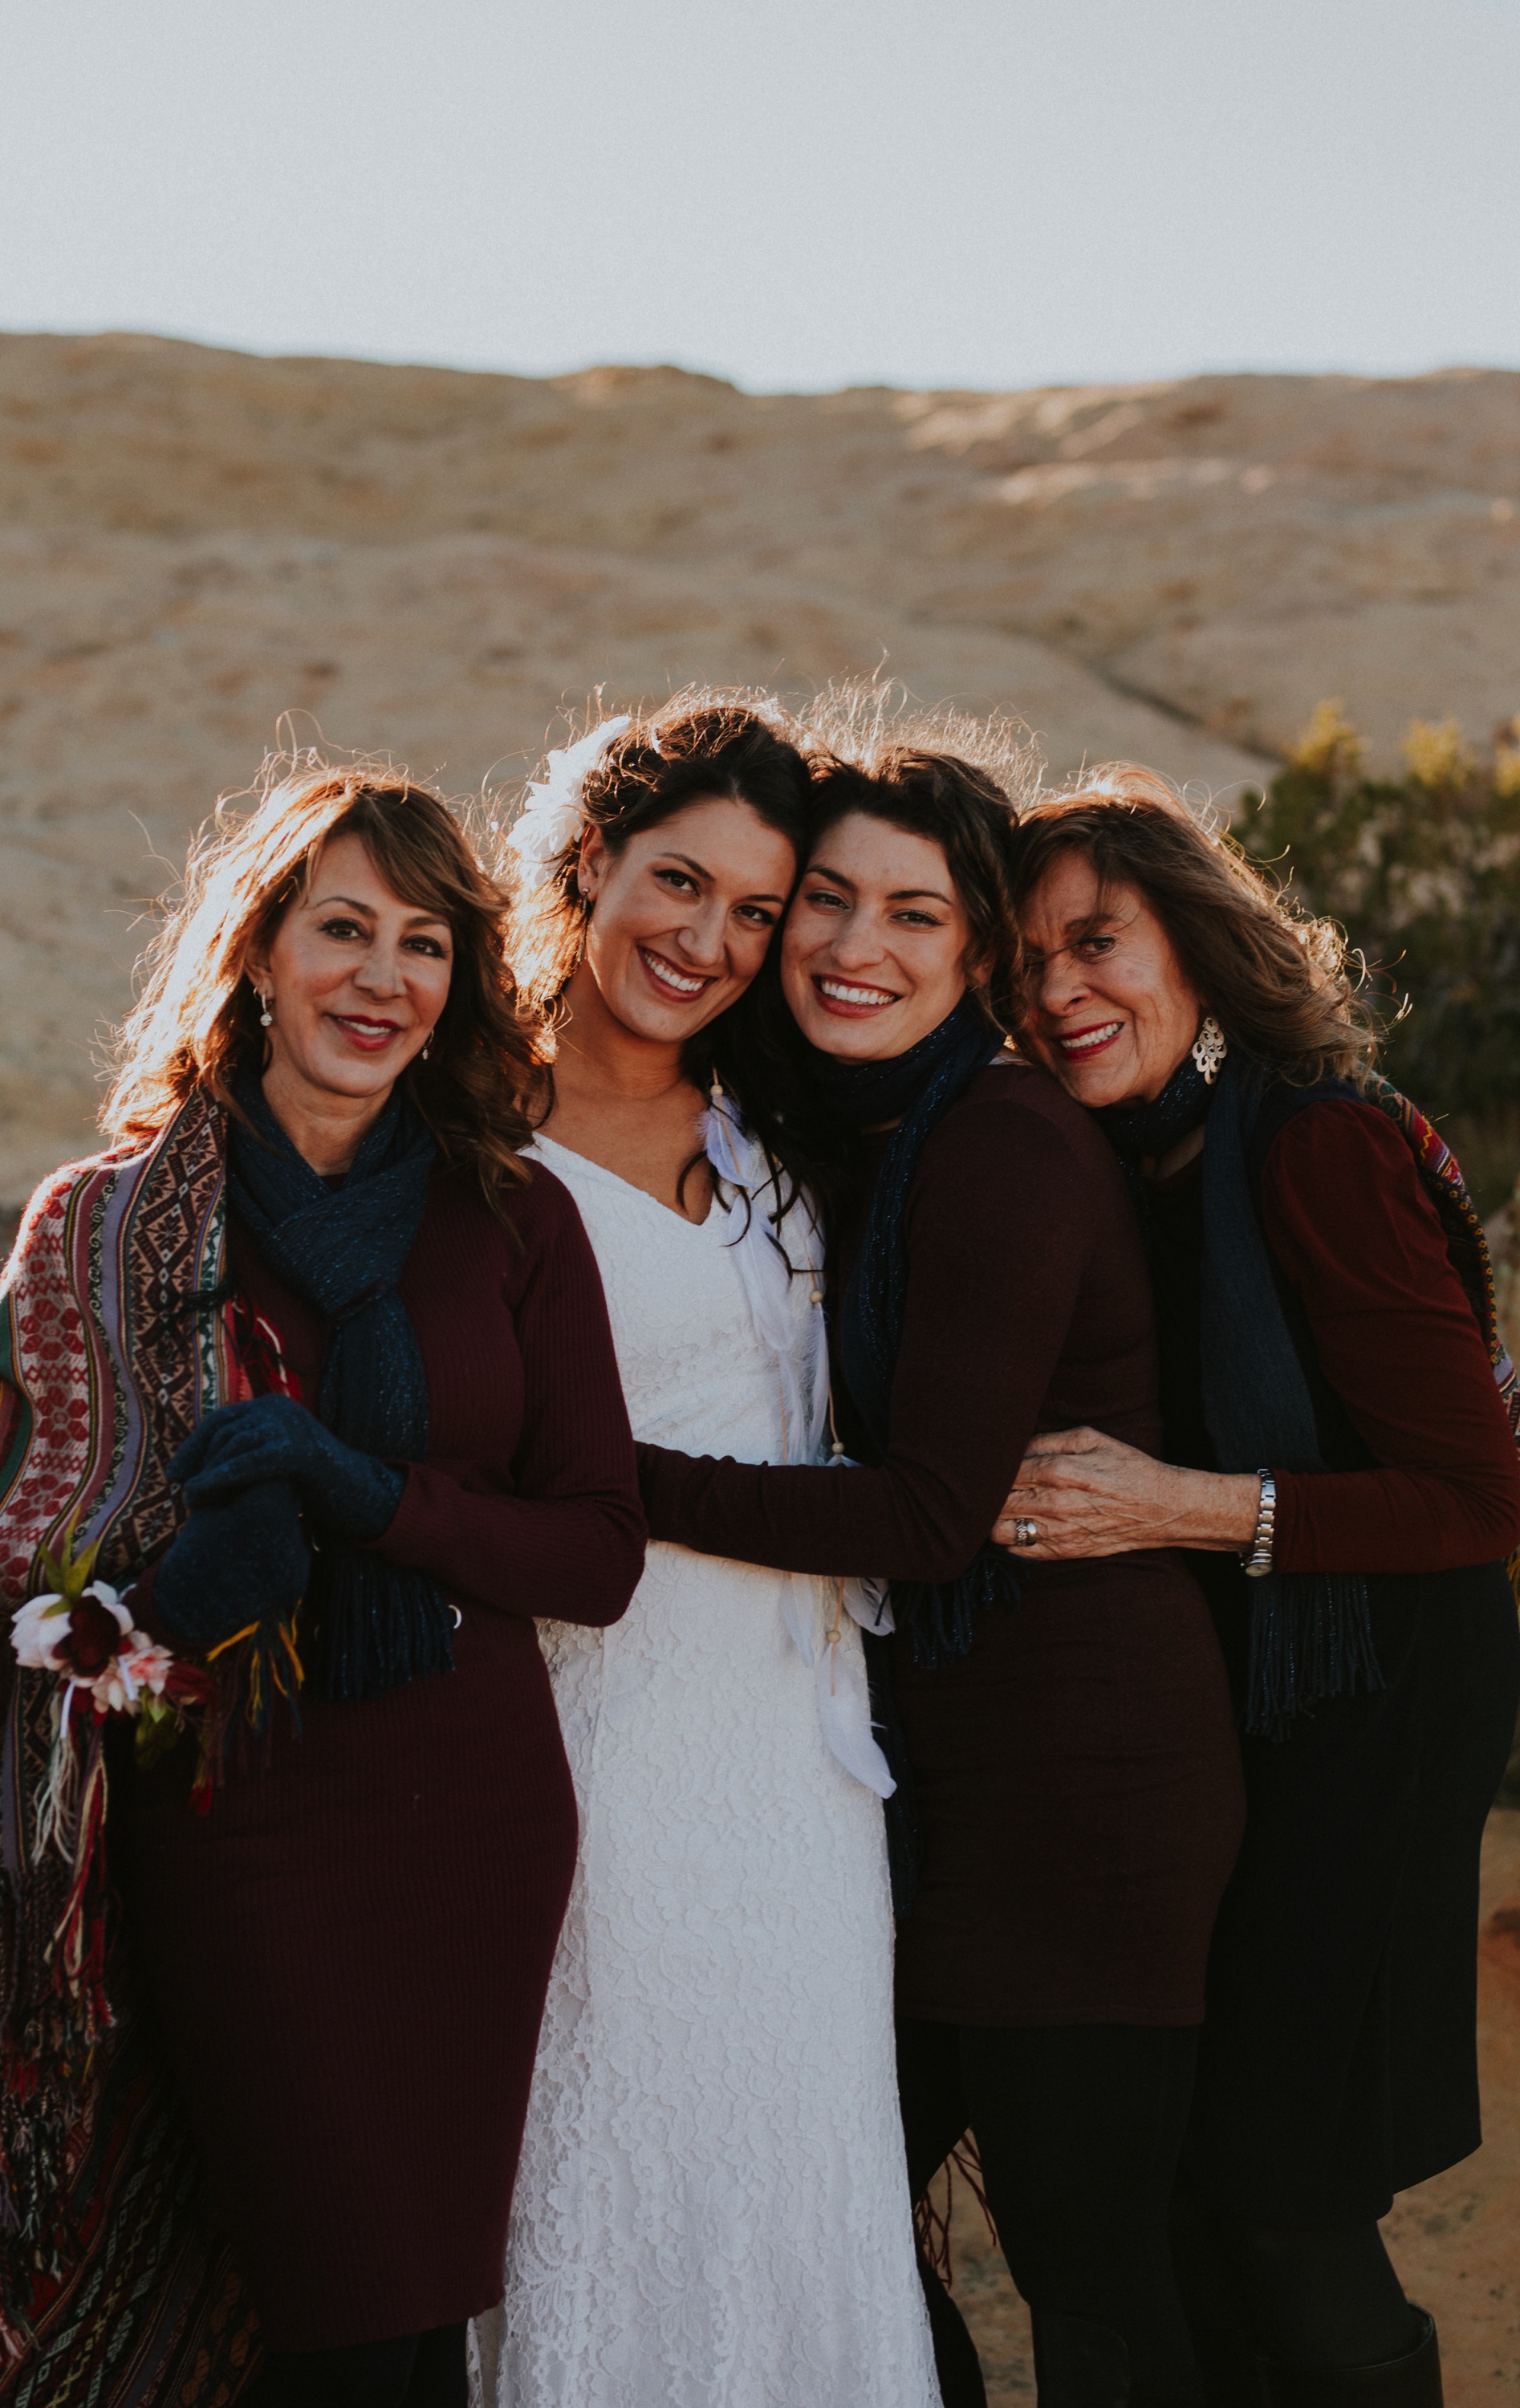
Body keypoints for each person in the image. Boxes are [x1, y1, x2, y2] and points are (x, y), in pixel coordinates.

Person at [0, 759, 644, 2408]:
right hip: (235, 1837)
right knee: (328, 2309)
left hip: (470, 1820)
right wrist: (174, 1597)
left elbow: (596, 1551)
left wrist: (364, 1495)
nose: (380, 979)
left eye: (424, 943)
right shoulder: (102, 1229)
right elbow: (5, 1597)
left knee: (406, 2322)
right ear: (255, 952)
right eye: (342, 930)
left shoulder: (513, 1223)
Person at [634, 701, 1246, 2408]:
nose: (850, 945)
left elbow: (920, 1513)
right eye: (823, 899)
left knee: (1091, 2270)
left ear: (976, 952)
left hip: (1088, 1795)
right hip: (944, 1791)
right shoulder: (865, 1142)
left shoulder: (998, 1142)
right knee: (839, 2217)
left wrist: (604, 1481)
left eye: (913, 915)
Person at [1002, 769, 1520, 2408]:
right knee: (1215, 2176)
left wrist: (1183, 1508)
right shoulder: (1151, 1160)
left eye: (1096, 941)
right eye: (1023, 968)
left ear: (1197, 939)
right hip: (1276, 1719)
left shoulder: (1311, 1145)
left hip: (1379, 1709)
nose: (1060, 991)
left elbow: (1474, 1491)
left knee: (1279, 2187)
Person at [486, 696, 943, 2408]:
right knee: (610, 2144)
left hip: (809, 1762)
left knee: (800, 2173)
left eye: (756, 912)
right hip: (600, 1733)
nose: (710, 941)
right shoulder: (475, 1134)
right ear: (589, 859)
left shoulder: (774, 1124)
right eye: (678, 882)